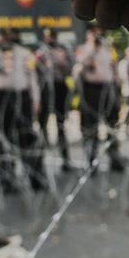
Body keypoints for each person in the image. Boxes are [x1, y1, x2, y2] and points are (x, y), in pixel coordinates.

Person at [0, 27, 45, 192]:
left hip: (22, 97)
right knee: (4, 140)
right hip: (2, 97)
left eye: (12, 36)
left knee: (27, 137)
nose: (9, 39)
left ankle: (35, 177)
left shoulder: (25, 53)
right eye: (6, 36)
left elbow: (32, 77)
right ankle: (6, 179)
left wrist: (36, 100)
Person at [74, 26, 124, 171]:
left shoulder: (108, 50)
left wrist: (116, 89)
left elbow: (113, 69)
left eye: (99, 32)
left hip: (107, 89)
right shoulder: (83, 49)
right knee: (90, 127)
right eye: (93, 33)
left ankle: (114, 158)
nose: (97, 35)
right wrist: (92, 48)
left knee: (111, 125)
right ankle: (91, 161)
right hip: (90, 90)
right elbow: (82, 64)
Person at [34, 29, 75, 170]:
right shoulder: (40, 53)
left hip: (59, 87)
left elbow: (70, 69)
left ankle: (65, 158)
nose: (49, 39)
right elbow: (35, 71)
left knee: (61, 124)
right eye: (47, 37)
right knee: (42, 124)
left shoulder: (63, 51)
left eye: (52, 36)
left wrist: (60, 60)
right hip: (45, 89)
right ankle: (42, 160)